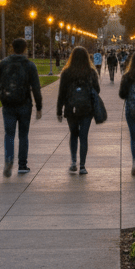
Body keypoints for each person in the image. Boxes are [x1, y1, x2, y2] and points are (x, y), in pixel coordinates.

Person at [0, 38, 43, 176]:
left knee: (9, 134)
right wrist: (39, 107)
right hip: (24, 104)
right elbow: (36, 88)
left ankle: (9, 160)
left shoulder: (4, 63)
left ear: (12, 48)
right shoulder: (29, 65)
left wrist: (3, 96)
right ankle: (22, 165)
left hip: (8, 104)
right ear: (25, 49)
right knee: (23, 135)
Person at [56, 46, 100, 174]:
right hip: (87, 108)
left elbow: (61, 93)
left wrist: (59, 110)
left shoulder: (66, 72)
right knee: (84, 136)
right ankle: (82, 165)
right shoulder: (91, 72)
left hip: (71, 107)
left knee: (73, 134)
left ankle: (73, 161)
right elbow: (97, 90)